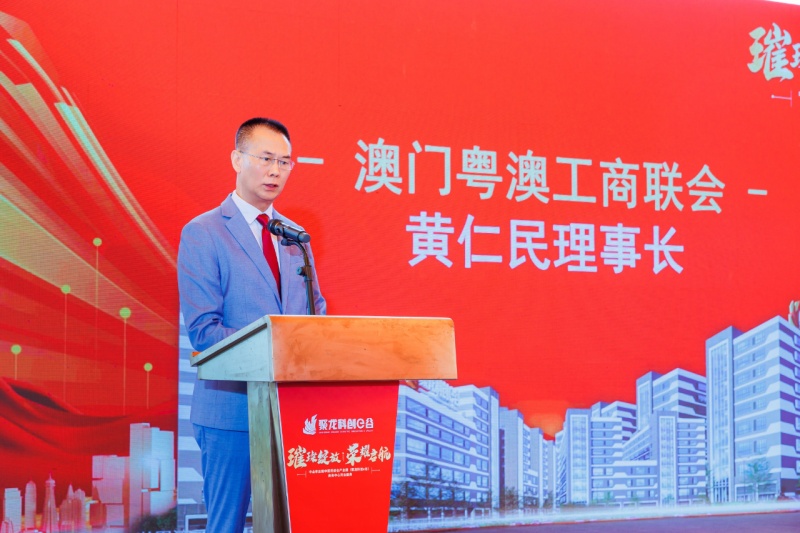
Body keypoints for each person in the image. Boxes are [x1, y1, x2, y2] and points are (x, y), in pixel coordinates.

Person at [177, 117, 326, 533]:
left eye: (285, 162)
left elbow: (316, 316)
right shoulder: (204, 232)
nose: (276, 170)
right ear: (236, 159)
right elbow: (205, 331)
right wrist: (278, 346)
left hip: (292, 413)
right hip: (231, 411)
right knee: (226, 526)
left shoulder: (295, 237)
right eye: (265, 159)